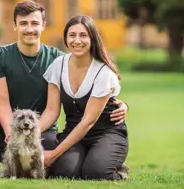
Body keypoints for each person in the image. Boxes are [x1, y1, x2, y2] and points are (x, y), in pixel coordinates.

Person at [0, 0, 129, 168]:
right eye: (23, 23)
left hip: (44, 130)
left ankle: (33, 163)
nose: (29, 29)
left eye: (34, 23)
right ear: (15, 26)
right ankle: (14, 163)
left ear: (43, 25)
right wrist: (12, 132)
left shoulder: (57, 60)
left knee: (64, 166)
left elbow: (91, 82)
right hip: (11, 125)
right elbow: (2, 104)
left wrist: (123, 105)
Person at [38, 15, 129, 180]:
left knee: (96, 173)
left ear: (92, 39)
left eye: (83, 35)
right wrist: (30, 132)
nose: (77, 41)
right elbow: (51, 111)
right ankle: (91, 158)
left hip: (106, 133)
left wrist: (53, 154)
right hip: (73, 133)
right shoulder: (58, 66)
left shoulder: (103, 73)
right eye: (72, 35)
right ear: (66, 38)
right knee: (65, 172)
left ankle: (116, 167)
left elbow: (88, 121)